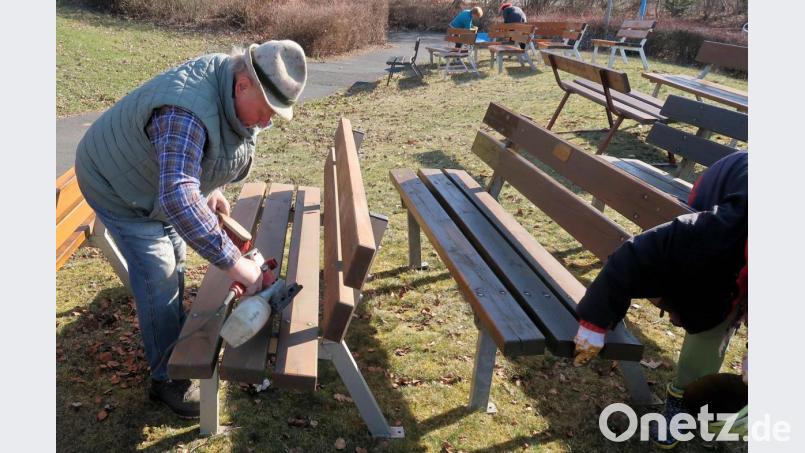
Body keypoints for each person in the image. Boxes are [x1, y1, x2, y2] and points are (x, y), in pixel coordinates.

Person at [75, 40, 308, 419]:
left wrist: (208, 187)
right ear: (244, 84)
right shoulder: (187, 109)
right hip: (114, 183)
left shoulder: (227, 85)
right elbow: (178, 196)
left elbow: (189, 159)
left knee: (177, 254)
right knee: (159, 272)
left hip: (151, 180)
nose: (267, 122)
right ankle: (167, 378)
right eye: (266, 111)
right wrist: (236, 263)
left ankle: (174, 340)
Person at [571, 151, 748, 448]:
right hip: (720, 187)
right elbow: (637, 253)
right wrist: (595, 321)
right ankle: (682, 397)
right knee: (713, 314)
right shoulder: (716, 231)